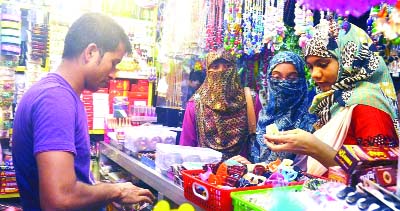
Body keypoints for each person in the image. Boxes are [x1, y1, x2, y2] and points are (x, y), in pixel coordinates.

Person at [12, 13, 155, 210]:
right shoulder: (56, 100)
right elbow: (58, 199)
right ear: (91, 52)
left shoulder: (58, 94)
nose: (114, 74)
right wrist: (117, 191)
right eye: (113, 63)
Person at [263, 22, 400, 176]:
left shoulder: (368, 107)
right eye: (310, 67)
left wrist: (314, 148)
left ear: (349, 59)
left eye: (323, 64)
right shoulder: (334, 101)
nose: (315, 74)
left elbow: (381, 176)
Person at [231, 51, 317, 169]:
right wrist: (250, 166)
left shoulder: (311, 119)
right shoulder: (264, 116)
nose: (283, 83)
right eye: (276, 77)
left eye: (292, 78)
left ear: (302, 79)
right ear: (269, 79)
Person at [179, 50, 258, 160]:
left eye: (227, 66)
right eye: (215, 66)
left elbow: (260, 142)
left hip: (243, 172)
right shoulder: (196, 104)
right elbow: (186, 148)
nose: (221, 70)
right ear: (208, 71)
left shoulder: (251, 101)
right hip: (203, 173)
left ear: (234, 69)